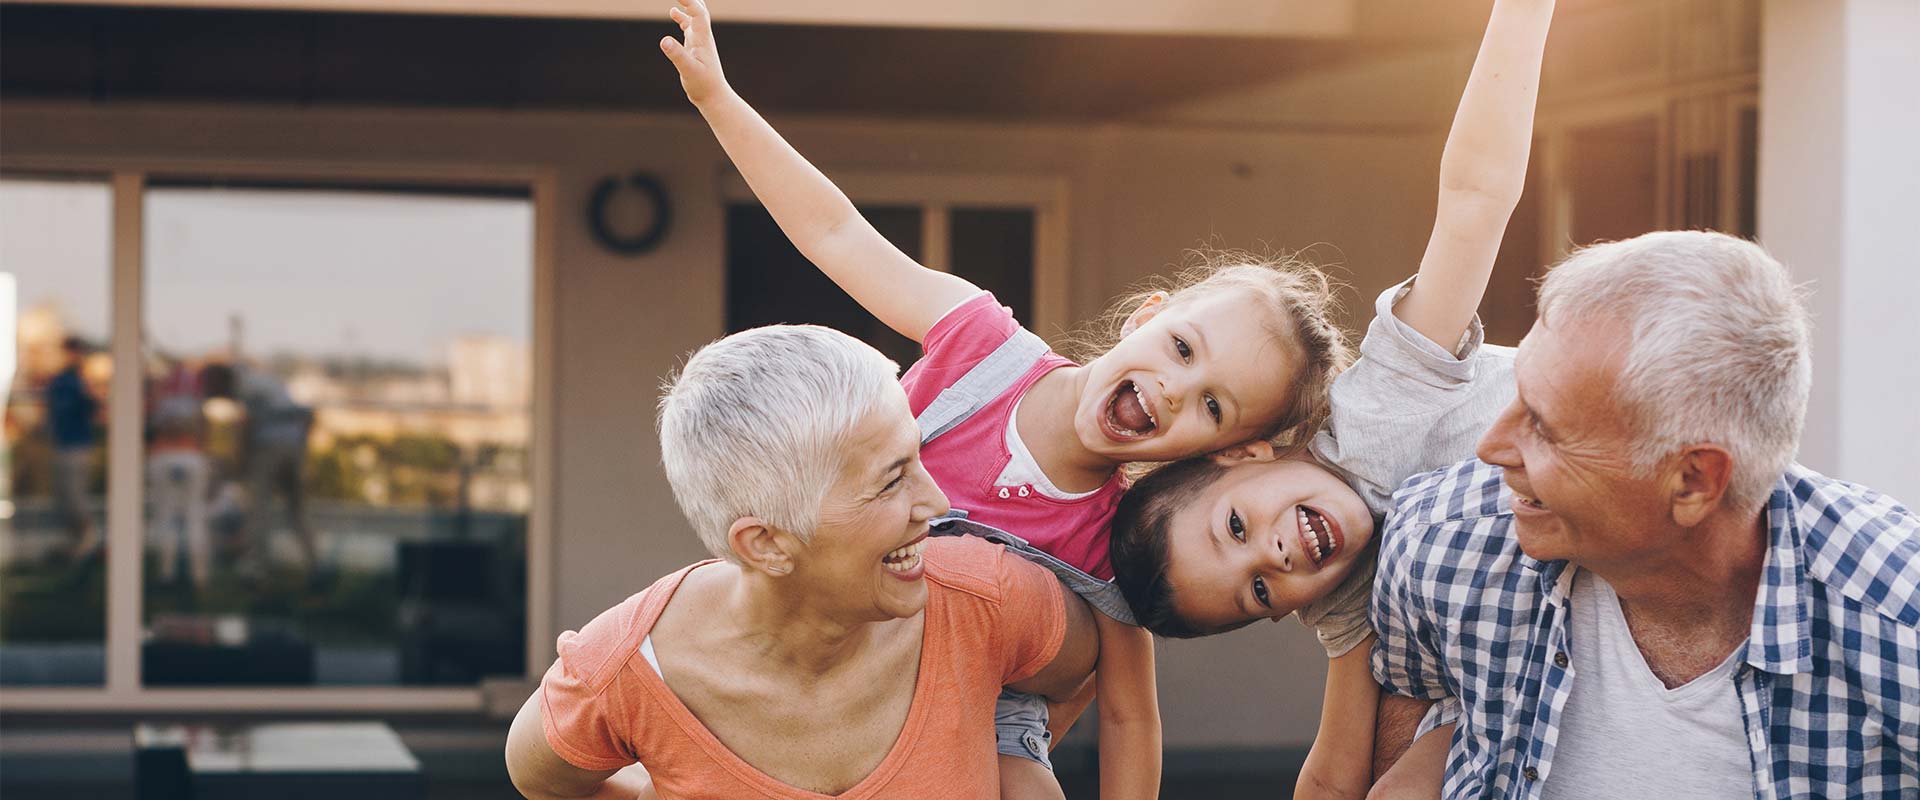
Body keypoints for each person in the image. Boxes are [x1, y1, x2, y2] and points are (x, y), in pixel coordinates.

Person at [659, 4, 1352, 797]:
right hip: (831, 643)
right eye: (1184, 349)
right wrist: (718, 98)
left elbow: (1131, 717)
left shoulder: (1116, 541)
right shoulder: (981, 352)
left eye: (1213, 408)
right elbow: (836, 235)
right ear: (1148, 315)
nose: (1172, 388)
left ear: (1216, 452)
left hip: (980, 714)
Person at [1104, 1, 1552, 796]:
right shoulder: (1341, 597)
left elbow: (1476, 201)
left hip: (1608, 448)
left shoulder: (1374, 412)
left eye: (1236, 526)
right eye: (1258, 591)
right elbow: (1336, 764)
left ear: (1243, 452)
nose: (1270, 557)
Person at [1367, 231, 1920, 799]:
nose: (1491, 447)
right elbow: (1414, 696)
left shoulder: (1897, 627)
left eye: (1544, 426)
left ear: (1693, 482)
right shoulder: (1439, 542)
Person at [503, 324, 1101, 799]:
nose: (937, 503)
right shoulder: (628, 670)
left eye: (917, 457)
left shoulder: (990, 601)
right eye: (891, 482)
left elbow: (1092, 665)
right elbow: (543, 781)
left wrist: (1009, 757)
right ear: (766, 543)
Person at [200, 361, 318, 573]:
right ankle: (315, 563)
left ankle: (258, 566)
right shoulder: (262, 380)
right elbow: (305, 415)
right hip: (294, 444)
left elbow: (248, 425)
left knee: (259, 507)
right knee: (297, 508)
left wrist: (239, 459)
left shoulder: (244, 386)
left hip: (269, 446)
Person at [46, 335, 102, 561]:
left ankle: (89, 542)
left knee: (75, 496)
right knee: (66, 497)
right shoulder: (62, 380)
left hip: (77, 445)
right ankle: (77, 544)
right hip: (64, 443)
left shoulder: (79, 380)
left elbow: (91, 408)